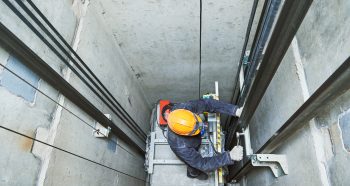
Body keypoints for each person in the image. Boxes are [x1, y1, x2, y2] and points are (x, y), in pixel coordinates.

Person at [162, 99, 244, 180]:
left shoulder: (183, 109)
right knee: (193, 166)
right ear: (185, 134)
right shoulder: (180, 146)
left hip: (193, 140)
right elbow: (202, 164)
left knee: (196, 144)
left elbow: (208, 103)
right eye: (195, 129)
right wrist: (229, 156)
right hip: (189, 146)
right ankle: (193, 174)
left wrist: (235, 110)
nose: (201, 126)